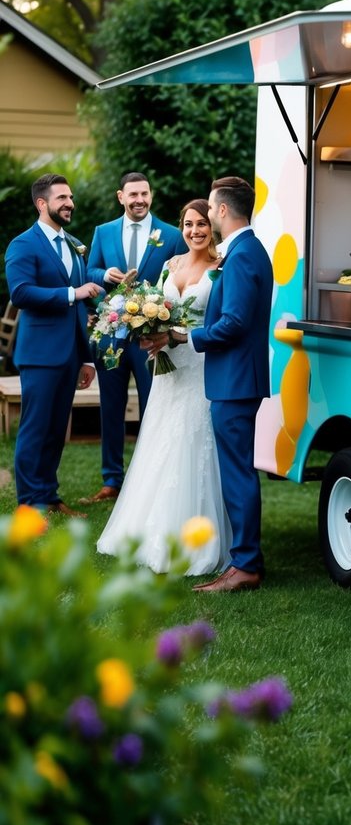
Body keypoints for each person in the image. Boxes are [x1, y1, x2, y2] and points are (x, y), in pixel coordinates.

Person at [97, 200, 231, 574]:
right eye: (188, 225)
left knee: (193, 441)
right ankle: (148, 527)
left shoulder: (221, 269)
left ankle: (195, 538)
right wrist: (150, 332)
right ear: (181, 228)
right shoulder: (171, 265)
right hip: (166, 372)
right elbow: (155, 306)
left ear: (213, 227)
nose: (194, 231)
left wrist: (176, 336)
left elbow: (217, 320)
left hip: (199, 366)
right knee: (160, 440)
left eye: (202, 224)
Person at [187, 177, 273, 593]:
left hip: (235, 380)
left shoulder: (240, 256)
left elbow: (235, 323)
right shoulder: (247, 250)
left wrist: (187, 338)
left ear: (222, 210)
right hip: (238, 378)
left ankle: (245, 566)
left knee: (238, 473)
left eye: (211, 209)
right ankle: (245, 559)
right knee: (239, 470)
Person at [81, 171, 187, 503]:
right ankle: (112, 481)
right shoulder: (103, 231)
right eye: (133, 194)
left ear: (150, 196)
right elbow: (88, 271)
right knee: (110, 408)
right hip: (111, 335)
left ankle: (150, 481)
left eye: (145, 194)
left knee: (154, 407)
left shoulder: (171, 235)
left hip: (151, 340)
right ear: (120, 197)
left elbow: (183, 276)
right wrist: (104, 274)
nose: (139, 199)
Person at [4, 174, 103, 514]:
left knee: (57, 428)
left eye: (71, 197)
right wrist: (71, 293)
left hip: (70, 354)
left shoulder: (75, 243)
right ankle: (29, 503)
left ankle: (48, 494)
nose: (70, 203)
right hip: (40, 354)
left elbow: (83, 301)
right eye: (62, 198)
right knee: (36, 427)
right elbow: (20, 292)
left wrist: (86, 358)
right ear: (42, 204)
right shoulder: (23, 244)